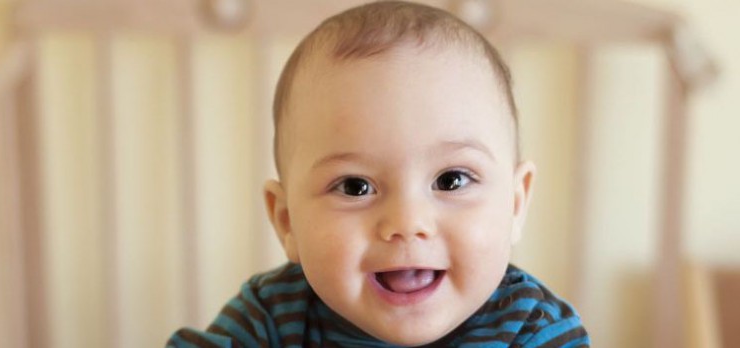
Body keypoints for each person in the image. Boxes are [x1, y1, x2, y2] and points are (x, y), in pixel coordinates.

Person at [169, 1, 588, 346]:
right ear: (286, 220)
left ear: (515, 204)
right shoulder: (271, 317)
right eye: (355, 186)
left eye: (451, 180)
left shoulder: (533, 329)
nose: (406, 223)